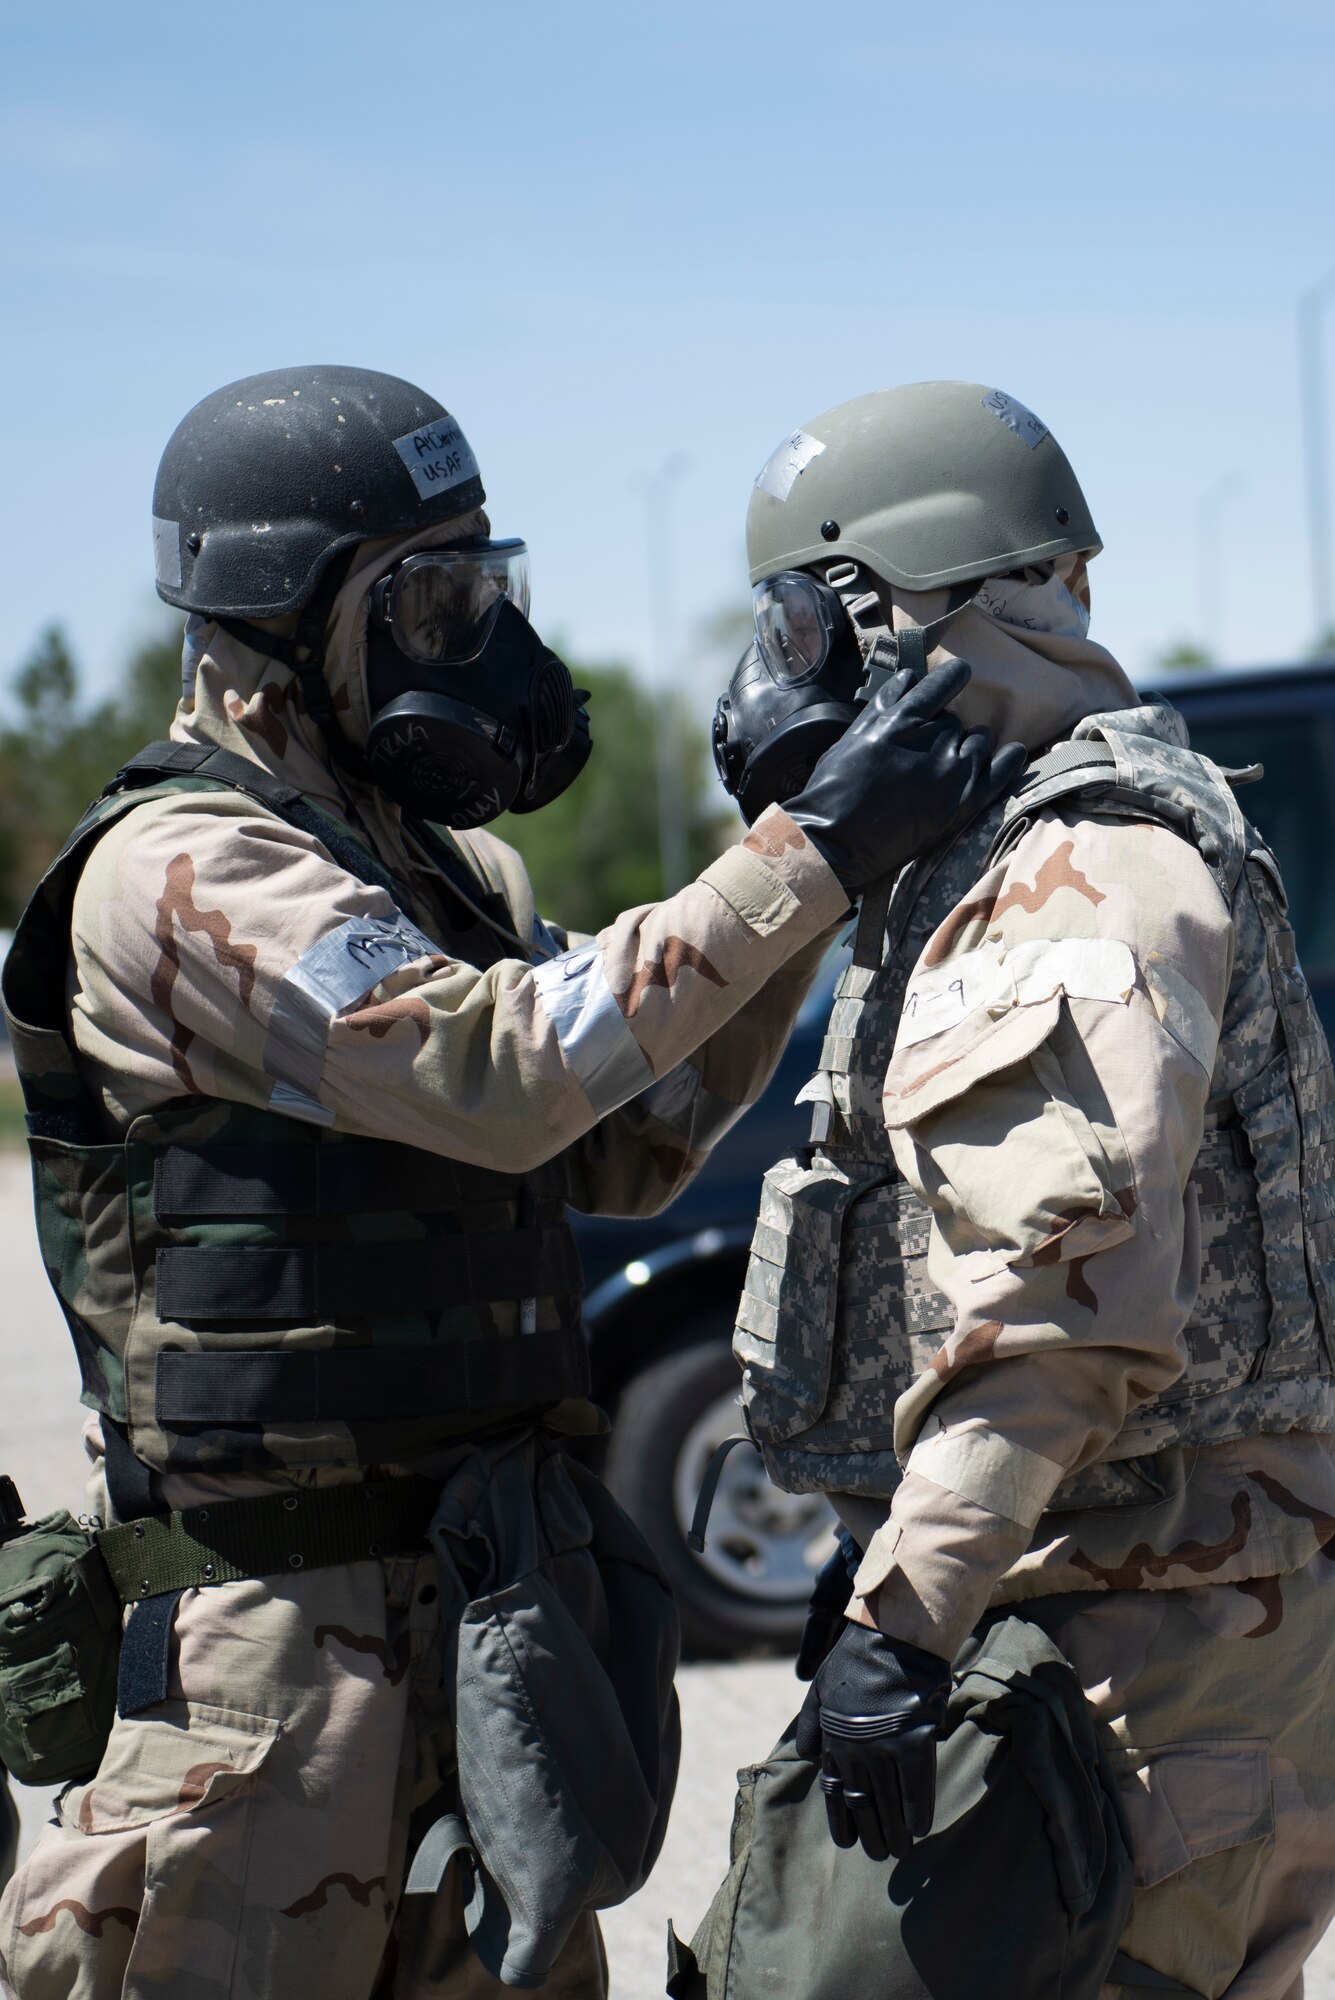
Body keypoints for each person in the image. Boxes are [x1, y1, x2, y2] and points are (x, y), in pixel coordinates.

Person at [0, 366, 1017, 2000]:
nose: (474, 637)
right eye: (428, 598)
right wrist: (806, 851)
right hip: (264, 1674)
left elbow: (624, 1125)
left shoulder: (437, 871)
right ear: (279, 614)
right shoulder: (182, 869)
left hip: (491, 1633)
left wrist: (800, 848)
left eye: (487, 586)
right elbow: (506, 1068)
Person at [715, 381, 1335, 1999]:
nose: (771, 674)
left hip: (1135, 1647)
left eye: (792, 624)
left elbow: (1061, 1304)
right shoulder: (1020, 839)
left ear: (883, 613)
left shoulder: (1075, 868)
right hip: (1145, 1622)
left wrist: (899, 1622)